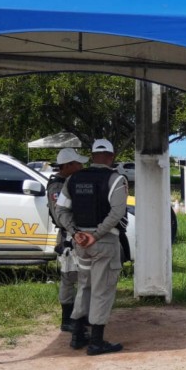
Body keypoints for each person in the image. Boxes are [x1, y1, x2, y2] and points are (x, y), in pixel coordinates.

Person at [55, 138, 128, 356]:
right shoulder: (116, 179)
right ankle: (96, 341)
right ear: (112, 156)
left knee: (84, 286)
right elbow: (116, 214)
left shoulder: (74, 179)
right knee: (102, 290)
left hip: (81, 244)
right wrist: (94, 235)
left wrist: (76, 233)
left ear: (93, 155)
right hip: (103, 242)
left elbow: (61, 211)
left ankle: (77, 334)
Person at [47, 148, 88, 333]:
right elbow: (59, 215)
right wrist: (74, 230)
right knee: (69, 278)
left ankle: (79, 316)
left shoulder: (70, 182)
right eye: (78, 163)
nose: (81, 166)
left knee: (79, 277)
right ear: (68, 165)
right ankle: (67, 319)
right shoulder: (57, 186)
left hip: (75, 234)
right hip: (69, 237)